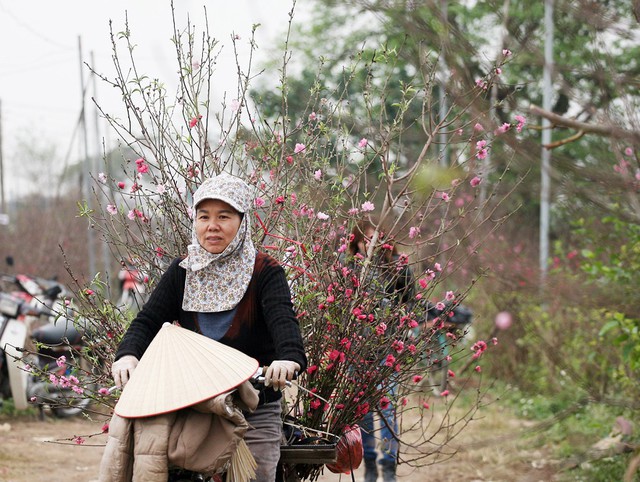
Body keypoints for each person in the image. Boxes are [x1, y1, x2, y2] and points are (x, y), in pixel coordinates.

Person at [111, 172, 307, 482]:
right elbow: (148, 321)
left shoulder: (265, 272)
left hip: (254, 406)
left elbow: (285, 325)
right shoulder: (182, 271)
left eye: (223, 216)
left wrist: (288, 359)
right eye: (204, 216)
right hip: (197, 407)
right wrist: (127, 354)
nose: (211, 225)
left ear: (242, 222)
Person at [343, 218, 415, 482]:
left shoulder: (398, 269)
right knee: (361, 413)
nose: (372, 246)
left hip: (387, 351)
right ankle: (370, 464)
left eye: (377, 239)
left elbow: (411, 303)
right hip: (356, 352)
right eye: (367, 240)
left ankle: (388, 467)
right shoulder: (349, 268)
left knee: (386, 413)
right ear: (357, 242)